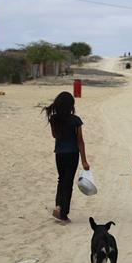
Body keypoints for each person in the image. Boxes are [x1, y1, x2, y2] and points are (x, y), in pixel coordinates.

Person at [43, 91, 90, 223]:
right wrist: (84, 161)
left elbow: (55, 136)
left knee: (61, 180)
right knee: (68, 183)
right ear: (71, 106)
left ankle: (58, 206)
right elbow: (80, 141)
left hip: (59, 154)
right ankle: (64, 214)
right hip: (72, 154)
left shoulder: (54, 119)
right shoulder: (76, 120)